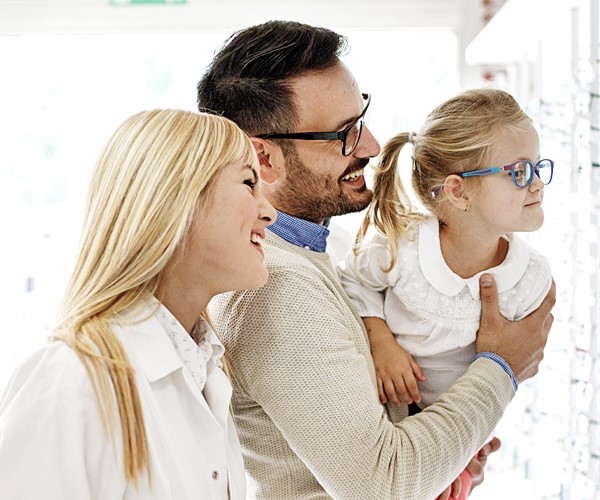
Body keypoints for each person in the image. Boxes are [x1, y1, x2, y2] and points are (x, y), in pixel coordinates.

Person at [198, 21, 555, 500]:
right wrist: (500, 366)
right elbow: (384, 485)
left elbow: (386, 444)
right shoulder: (272, 288)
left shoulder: (329, 250)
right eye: (344, 134)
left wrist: (450, 456)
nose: (370, 147)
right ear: (263, 159)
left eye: (361, 120)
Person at [0, 109, 276, 499]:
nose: (270, 212)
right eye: (249, 183)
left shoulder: (207, 376)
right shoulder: (70, 375)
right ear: (176, 198)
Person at [338, 88, 554, 498]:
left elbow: (522, 362)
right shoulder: (401, 247)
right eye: (520, 172)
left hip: (461, 434)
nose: (539, 184)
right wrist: (381, 340)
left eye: (540, 167)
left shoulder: (531, 278)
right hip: (393, 423)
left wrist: (473, 441)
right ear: (458, 191)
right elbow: (354, 282)